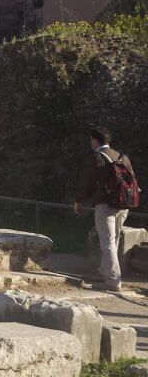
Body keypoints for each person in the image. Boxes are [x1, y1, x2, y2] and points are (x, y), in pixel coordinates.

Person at [75, 125, 136, 292]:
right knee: (113, 241)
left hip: (105, 205)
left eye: (91, 140)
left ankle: (113, 281)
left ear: (95, 140)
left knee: (107, 242)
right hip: (123, 205)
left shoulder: (97, 158)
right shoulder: (122, 157)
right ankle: (107, 273)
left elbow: (86, 181)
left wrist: (79, 200)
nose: (91, 143)